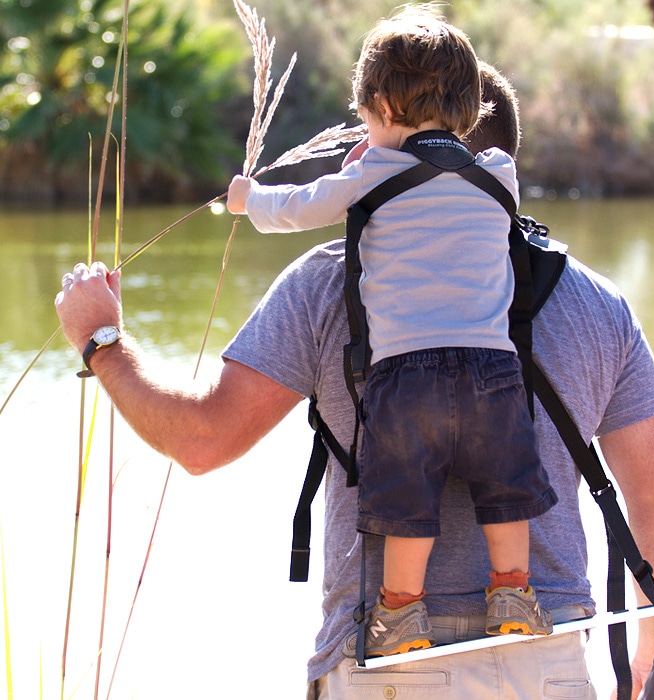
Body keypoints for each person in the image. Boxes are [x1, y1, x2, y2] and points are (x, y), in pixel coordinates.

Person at [54, 59, 654, 699]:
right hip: (548, 658)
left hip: (389, 664)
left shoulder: (329, 284)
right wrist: (649, 662)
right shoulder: (598, 305)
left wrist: (101, 342)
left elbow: (203, 440)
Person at [227, 7, 556, 657]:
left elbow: (300, 209)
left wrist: (249, 200)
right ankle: (514, 596)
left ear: (377, 103)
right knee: (505, 489)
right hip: (495, 369)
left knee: (409, 501)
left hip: (407, 375)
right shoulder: (497, 173)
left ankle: (402, 616)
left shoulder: (372, 174)